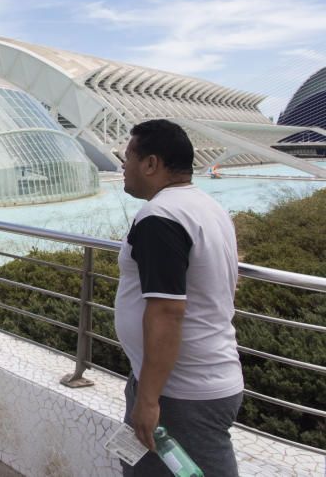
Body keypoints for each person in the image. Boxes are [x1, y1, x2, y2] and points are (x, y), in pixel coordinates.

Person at [115, 119, 244, 476]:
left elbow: (167, 311)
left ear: (151, 164)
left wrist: (149, 398)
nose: (122, 167)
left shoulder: (160, 216)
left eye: (127, 157)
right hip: (195, 380)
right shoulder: (206, 207)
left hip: (181, 393)